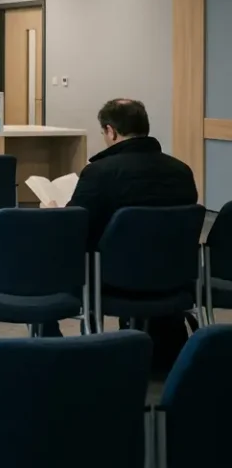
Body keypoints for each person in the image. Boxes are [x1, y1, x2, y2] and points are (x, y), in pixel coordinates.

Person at [40, 99, 198, 362]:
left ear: (111, 131)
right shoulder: (181, 171)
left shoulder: (100, 173)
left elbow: (76, 228)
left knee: (45, 252)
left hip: (110, 279)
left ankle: (50, 346)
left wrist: (57, 213)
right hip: (173, 277)